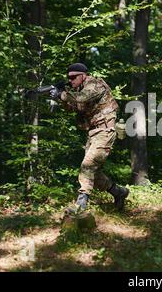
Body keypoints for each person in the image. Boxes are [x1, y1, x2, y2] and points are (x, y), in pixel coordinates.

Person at [50, 62, 129, 213]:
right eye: (69, 78)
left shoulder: (95, 84)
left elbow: (82, 98)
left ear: (83, 76)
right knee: (94, 172)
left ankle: (81, 204)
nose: (71, 80)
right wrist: (60, 97)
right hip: (93, 133)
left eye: (73, 77)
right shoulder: (78, 89)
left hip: (105, 131)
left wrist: (61, 94)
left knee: (87, 165)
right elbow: (73, 107)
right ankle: (118, 192)